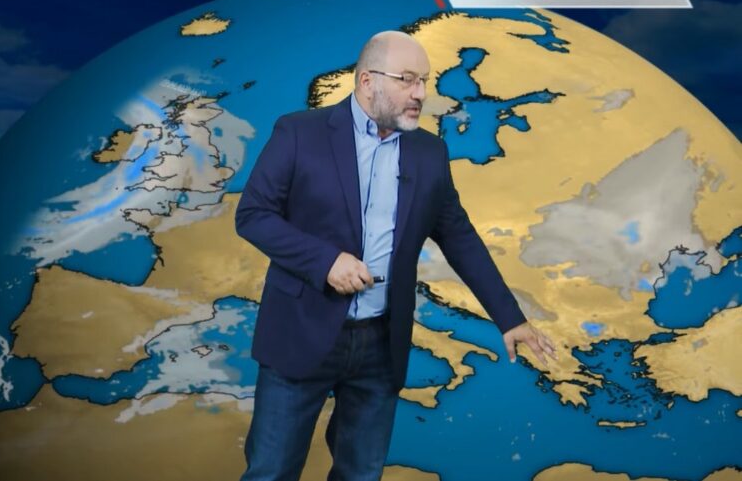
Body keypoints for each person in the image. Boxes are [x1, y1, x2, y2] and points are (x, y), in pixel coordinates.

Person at [235, 30, 557, 481]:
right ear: (367, 81)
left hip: (380, 346)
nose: (420, 93)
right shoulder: (299, 133)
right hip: (300, 332)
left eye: (424, 80)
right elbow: (253, 215)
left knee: (361, 474)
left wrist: (510, 318)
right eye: (407, 79)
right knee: (272, 471)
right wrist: (325, 262)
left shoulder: (429, 152)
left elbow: (459, 237)